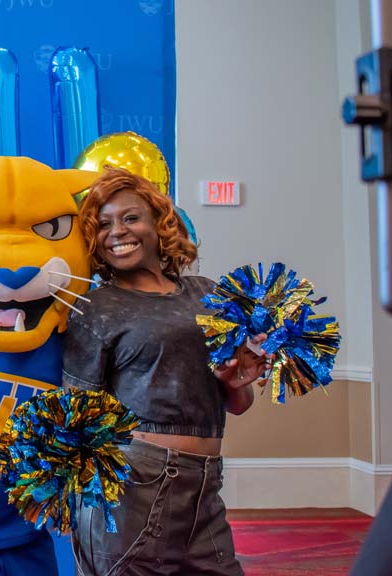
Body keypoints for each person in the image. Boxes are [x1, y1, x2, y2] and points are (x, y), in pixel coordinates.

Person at [62, 167, 271, 576]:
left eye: (130, 218)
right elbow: (78, 416)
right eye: (102, 225)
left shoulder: (208, 293)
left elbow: (238, 404)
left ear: (160, 223)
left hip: (206, 484)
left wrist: (234, 383)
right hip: (133, 483)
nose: (117, 231)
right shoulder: (95, 308)